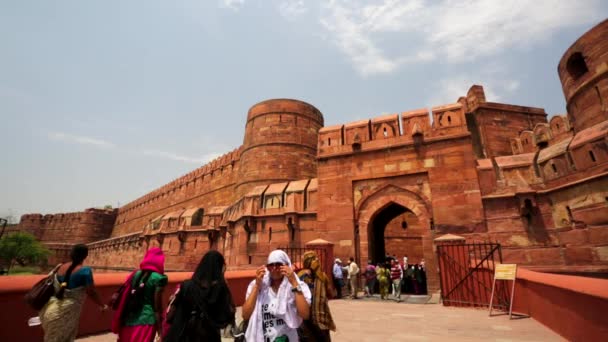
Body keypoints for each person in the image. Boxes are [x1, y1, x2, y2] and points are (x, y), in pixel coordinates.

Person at [39, 244, 107, 342]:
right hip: (68, 310)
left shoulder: (60, 267)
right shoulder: (85, 271)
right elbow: (91, 292)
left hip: (51, 309)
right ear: (85, 256)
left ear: (71, 254)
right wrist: (101, 305)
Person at [164, 250, 235, 342]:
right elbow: (228, 315)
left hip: (183, 334)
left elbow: (170, 314)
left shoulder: (187, 286)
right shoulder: (220, 290)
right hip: (208, 336)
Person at [242, 249, 311, 342]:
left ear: (287, 266)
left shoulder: (298, 286)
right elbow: (245, 315)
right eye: (270, 265)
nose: (274, 268)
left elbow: (305, 314)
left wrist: (294, 283)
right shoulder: (259, 286)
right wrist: (257, 286)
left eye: (278, 264)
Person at [115, 247, 167, 341]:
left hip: (129, 319)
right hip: (147, 320)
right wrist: (160, 329)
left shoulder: (135, 274)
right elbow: (157, 306)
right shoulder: (159, 278)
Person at [297, 251, 336, 342]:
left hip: (307, 320)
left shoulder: (300, 275)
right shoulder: (323, 276)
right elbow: (330, 294)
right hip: (321, 319)